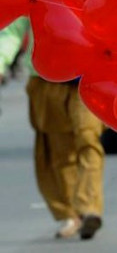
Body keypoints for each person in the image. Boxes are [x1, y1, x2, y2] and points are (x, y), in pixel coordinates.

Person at [0, 17, 105, 241]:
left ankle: (89, 208)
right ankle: (71, 214)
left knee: (88, 139)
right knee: (60, 152)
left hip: (86, 78)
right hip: (46, 81)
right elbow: (12, 33)